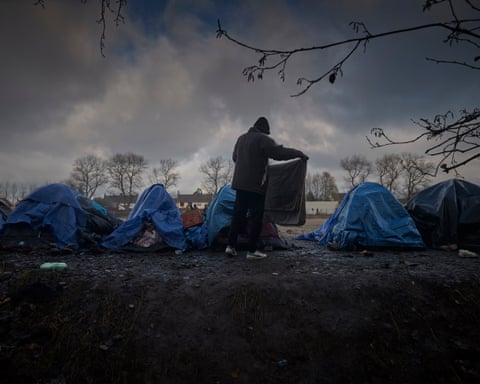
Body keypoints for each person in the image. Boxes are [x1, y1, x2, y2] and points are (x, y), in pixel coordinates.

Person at [225, 116, 308, 260]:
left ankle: (230, 246)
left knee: (238, 215)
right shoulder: (263, 139)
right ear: (265, 130)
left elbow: (234, 158)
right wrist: (299, 153)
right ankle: (252, 251)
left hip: (239, 184)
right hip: (256, 185)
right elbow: (279, 153)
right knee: (256, 217)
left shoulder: (241, 139)